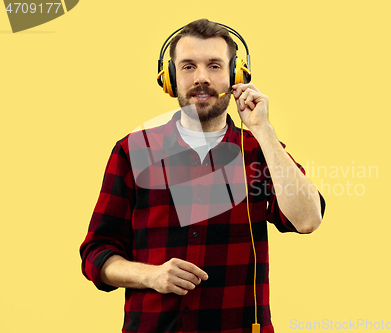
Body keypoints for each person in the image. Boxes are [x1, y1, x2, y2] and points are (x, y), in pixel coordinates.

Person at [80, 19, 326, 333]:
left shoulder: (259, 151)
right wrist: (150, 276)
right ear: (170, 78)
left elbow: (307, 220)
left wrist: (264, 131)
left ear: (236, 76)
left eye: (214, 66)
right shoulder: (132, 151)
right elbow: (96, 253)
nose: (201, 78)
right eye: (187, 66)